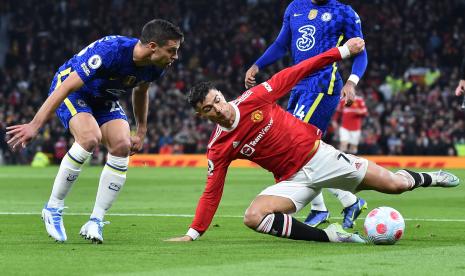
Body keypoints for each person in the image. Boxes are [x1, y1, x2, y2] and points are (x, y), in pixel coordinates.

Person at [167, 38, 459, 243]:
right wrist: (194, 232)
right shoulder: (218, 147)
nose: (217, 109)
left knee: (396, 186)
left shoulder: (255, 98)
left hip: (321, 157)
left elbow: (300, 70)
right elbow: (211, 191)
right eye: (208, 109)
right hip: (293, 181)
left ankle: (431, 177)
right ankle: (330, 236)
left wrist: (341, 52)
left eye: (216, 101)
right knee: (253, 217)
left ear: (220, 93)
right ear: (201, 115)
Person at [6, 19, 184, 243]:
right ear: (152, 47)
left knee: (122, 145)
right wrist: (35, 125)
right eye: (172, 50)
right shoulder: (112, 51)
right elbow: (67, 86)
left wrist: (141, 130)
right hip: (74, 92)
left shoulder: (156, 67)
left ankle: (96, 221)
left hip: (104, 97)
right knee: (90, 138)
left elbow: (141, 92)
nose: (175, 57)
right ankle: (53, 207)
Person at [244, 0, 369, 228]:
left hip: (323, 85)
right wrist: (257, 65)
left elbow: (361, 52)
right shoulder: (295, 7)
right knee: (295, 149)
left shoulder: (344, 12)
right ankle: (333, 205)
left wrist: (351, 82)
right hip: (297, 85)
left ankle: (340, 203)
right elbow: (281, 44)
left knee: (299, 147)